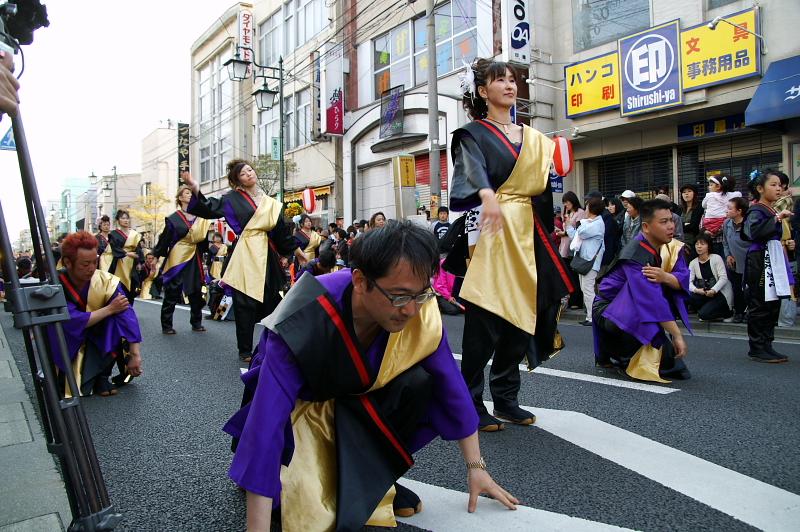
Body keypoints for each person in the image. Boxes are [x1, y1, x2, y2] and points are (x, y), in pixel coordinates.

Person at [223, 221, 517, 531]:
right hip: (299, 414)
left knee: (421, 384)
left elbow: (451, 387)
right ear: (361, 281)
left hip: (353, 402)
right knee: (288, 507)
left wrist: (476, 468)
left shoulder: (418, 306)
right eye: (400, 297)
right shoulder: (305, 315)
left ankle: (373, 476)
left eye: (422, 294)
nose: (411, 310)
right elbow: (267, 423)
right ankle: (329, 482)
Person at [449, 58, 572, 431]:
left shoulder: (535, 138)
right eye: (498, 80)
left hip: (528, 232)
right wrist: (487, 196)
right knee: (485, 320)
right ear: (483, 92)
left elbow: (543, 195)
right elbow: (471, 169)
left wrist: (550, 234)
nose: (508, 84)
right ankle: (470, 401)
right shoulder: (472, 133)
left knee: (523, 318)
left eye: (512, 79)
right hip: (492, 229)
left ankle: (505, 397)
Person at [182, 160, 306, 362]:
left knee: (273, 299)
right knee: (244, 303)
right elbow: (207, 207)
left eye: (249, 170)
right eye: (242, 173)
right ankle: (245, 350)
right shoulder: (231, 199)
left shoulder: (270, 202)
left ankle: (278, 344)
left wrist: (297, 251)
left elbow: (281, 232)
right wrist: (195, 187)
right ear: (236, 181)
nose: (248, 174)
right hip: (246, 253)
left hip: (266, 254)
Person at [592, 199, 691, 383]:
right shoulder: (636, 254)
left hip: (633, 310)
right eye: (663, 222)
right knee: (669, 360)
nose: (671, 226)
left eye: (671, 220)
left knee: (677, 369)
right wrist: (677, 335)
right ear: (646, 227)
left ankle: (625, 354)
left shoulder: (670, 247)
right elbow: (650, 300)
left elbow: (683, 277)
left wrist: (666, 277)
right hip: (612, 311)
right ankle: (624, 357)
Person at [49, 231, 143, 397]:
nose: (92, 268)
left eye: (95, 262)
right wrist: (108, 309)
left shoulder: (105, 280)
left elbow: (127, 315)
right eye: (85, 264)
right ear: (67, 263)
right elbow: (70, 321)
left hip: (98, 334)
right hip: (69, 340)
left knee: (116, 320)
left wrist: (135, 354)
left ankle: (102, 375)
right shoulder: (55, 285)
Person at [741, 170, 795, 363]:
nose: (778, 188)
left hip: (772, 255)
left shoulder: (770, 209)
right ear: (760, 188)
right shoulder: (757, 210)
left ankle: (767, 344)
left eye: (780, 185)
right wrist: (777, 219)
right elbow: (752, 232)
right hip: (760, 258)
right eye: (773, 184)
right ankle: (757, 346)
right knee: (761, 301)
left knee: (773, 302)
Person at [152, 185, 211, 335]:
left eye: (192, 193)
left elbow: (203, 241)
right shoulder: (174, 218)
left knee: (196, 290)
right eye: (187, 193)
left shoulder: (201, 218)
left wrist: (206, 256)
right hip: (177, 257)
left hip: (194, 255)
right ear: (180, 198)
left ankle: (196, 322)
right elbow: (165, 239)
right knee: (173, 290)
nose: (190, 195)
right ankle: (167, 324)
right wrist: (156, 255)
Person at [567, 197, 605, 326]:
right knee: (585, 289)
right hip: (585, 261)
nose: (585, 210)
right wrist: (569, 227)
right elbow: (575, 235)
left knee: (588, 290)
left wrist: (581, 224)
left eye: (587, 207)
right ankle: (590, 316)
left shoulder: (597, 224)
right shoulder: (590, 222)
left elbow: (581, 233)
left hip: (590, 262)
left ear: (592, 209)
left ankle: (593, 317)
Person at [688, 232, 734, 321]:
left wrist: (713, 290)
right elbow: (688, 282)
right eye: (697, 244)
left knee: (703, 315)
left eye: (702, 244)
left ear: (708, 246)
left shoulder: (716, 258)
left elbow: (723, 278)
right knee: (689, 295)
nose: (699, 246)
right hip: (705, 293)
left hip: (719, 293)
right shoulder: (693, 263)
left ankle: (727, 313)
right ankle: (707, 311)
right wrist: (697, 290)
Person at [107, 209, 144, 304]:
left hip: (132, 262)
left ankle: (130, 307)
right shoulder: (113, 234)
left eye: (127, 218)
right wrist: (127, 253)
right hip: (120, 262)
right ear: (118, 220)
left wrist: (139, 261)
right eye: (123, 218)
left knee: (133, 286)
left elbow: (139, 249)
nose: (126, 220)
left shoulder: (135, 234)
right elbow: (114, 248)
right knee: (119, 286)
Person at [556, 191, 585, 310]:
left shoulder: (580, 213)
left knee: (574, 275)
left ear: (572, 201)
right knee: (567, 275)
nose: (565, 205)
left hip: (573, 247)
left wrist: (565, 232)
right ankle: (571, 299)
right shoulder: (567, 213)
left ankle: (577, 301)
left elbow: (579, 230)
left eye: (567, 203)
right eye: (564, 203)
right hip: (564, 246)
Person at [722, 197, 749, 323]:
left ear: (739, 211)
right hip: (734, 262)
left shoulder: (749, 224)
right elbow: (725, 242)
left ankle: (749, 312)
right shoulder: (727, 224)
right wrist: (728, 255)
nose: (726, 210)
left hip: (749, 262)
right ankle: (739, 312)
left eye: (729, 208)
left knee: (750, 289)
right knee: (736, 288)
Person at [701, 175, 741, 239]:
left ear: (718, 186)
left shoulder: (709, 195)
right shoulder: (729, 196)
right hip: (722, 222)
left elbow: (703, 205)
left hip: (708, 223)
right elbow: (738, 195)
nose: (709, 187)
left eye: (711, 185)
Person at [680, 184, 703, 259]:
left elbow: (694, 226)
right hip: (679, 243)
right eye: (684, 192)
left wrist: (682, 225)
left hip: (693, 243)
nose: (686, 194)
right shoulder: (679, 208)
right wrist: (686, 224)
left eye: (689, 191)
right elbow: (675, 225)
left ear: (694, 194)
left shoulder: (699, 208)